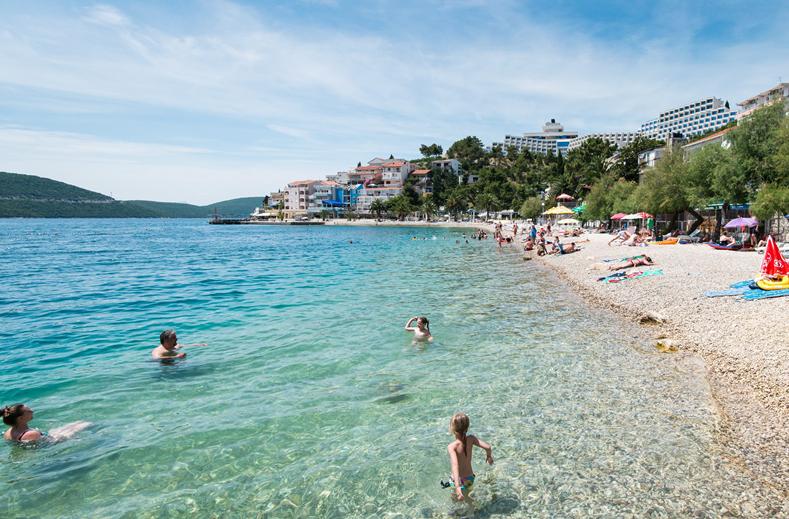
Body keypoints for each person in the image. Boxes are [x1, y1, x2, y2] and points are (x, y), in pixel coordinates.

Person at [445, 412, 493, 501]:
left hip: (457, 480)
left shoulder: (452, 446)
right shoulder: (471, 439)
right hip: (470, 478)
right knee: (468, 497)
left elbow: (455, 466)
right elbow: (488, 447)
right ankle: (472, 511)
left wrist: (458, 486)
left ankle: (456, 513)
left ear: (452, 428)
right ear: (467, 428)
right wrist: (489, 456)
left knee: (454, 499)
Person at [3, 404, 90, 443]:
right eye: (28, 411)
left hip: (46, 437)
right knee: (85, 425)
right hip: (53, 441)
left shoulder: (8, 432)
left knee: (77, 423)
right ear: (20, 418)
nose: (32, 411)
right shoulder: (30, 434)